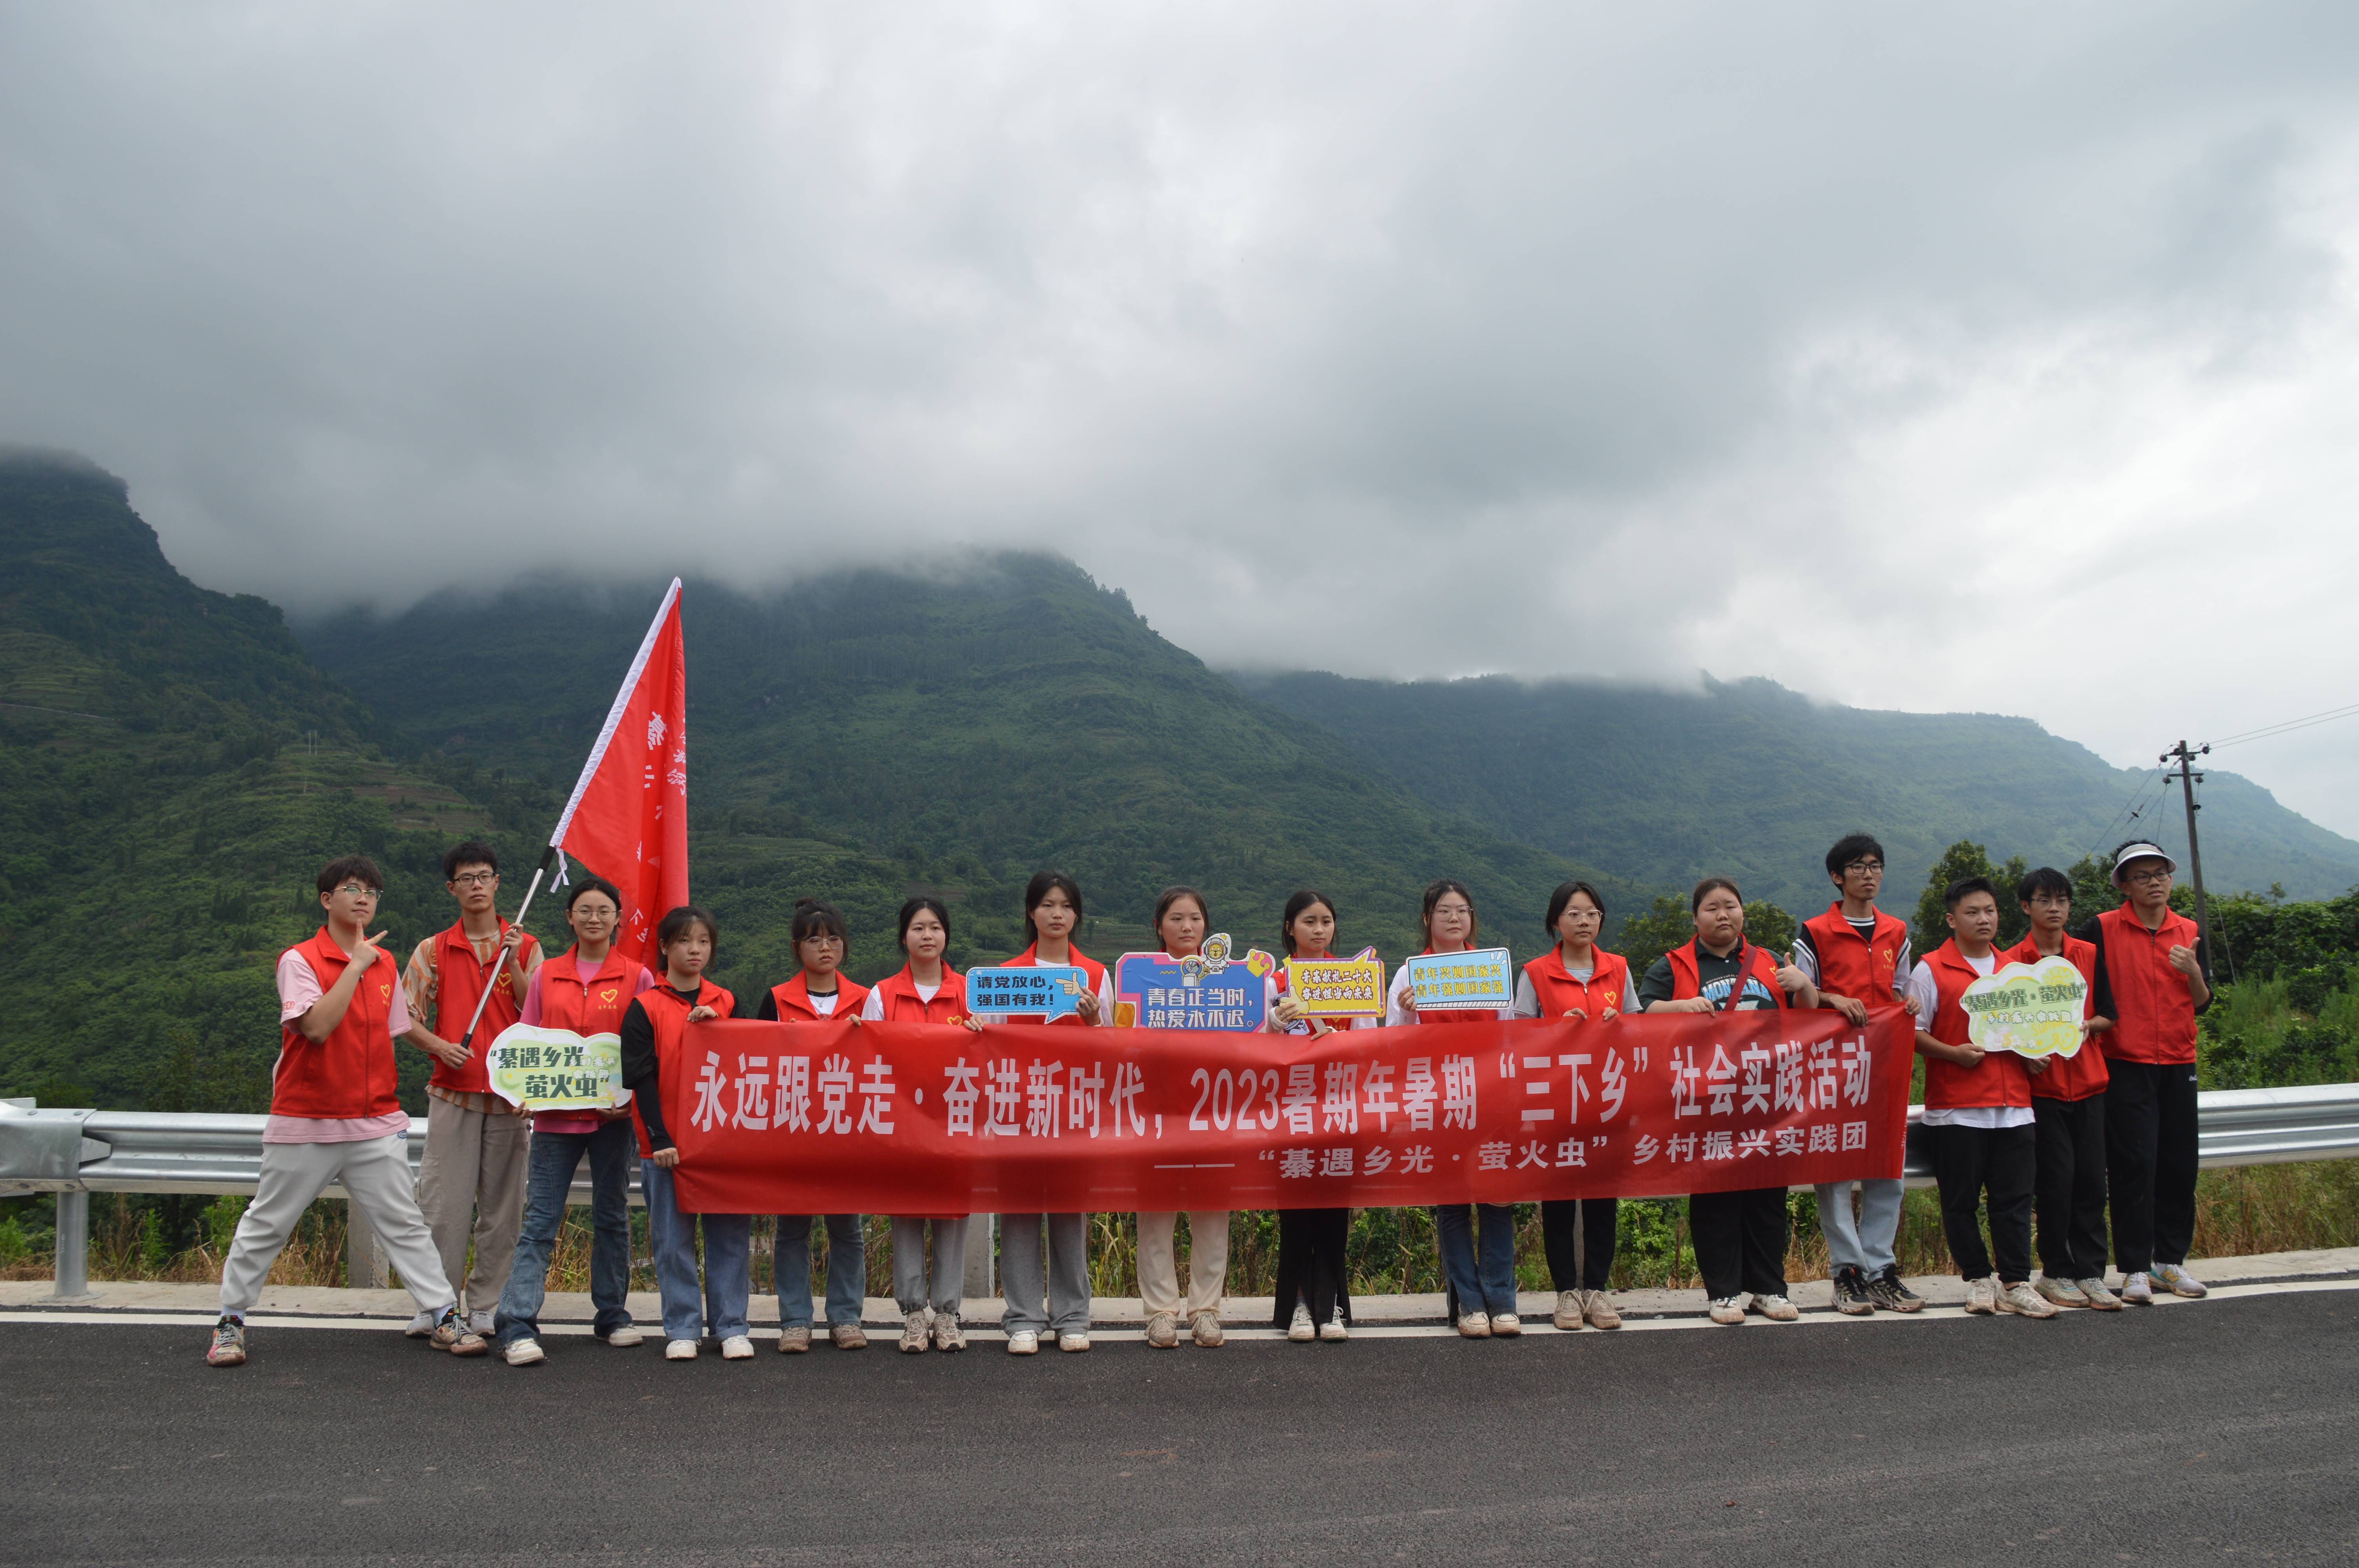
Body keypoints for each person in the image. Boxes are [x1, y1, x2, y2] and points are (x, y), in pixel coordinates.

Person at [208, 856, 482, 1367]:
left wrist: (443, 1049)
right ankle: (231, 1320)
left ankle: (444, 1314)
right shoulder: (300, 960)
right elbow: (315, 1028)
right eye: (351, 889)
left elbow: (396, 1028)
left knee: (403, 1223)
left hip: (374, 1120)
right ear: (326, 899)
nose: (363, 898)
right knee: (268, 1222)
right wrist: (353, 967)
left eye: (372, 892)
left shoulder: (384, 963)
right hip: (307, 1120)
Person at [1639, 877, 1818, 1327]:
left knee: (1767, 1196)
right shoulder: (1673, 965)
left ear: (1743, 913)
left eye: (1731, 906)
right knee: (1716, 1197)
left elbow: (1810, 1020)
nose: (1723, 915)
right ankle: (1723, 1293)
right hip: (1706, 1101)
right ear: (1695, 918)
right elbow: (1639, 1014)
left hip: (1766, 1098)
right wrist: (1681, 1007)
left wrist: (1804, 984)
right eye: (1712, 908)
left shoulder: (1772, 963)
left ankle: (1769, 1288)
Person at [494, 876, 656, 1368]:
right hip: (554, 1120)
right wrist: (520, 1092)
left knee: (611, 1216)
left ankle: (612, 1314)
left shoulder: (637, 977)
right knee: (541, 1220)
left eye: (603, 910)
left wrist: (629, 1105)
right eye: (583, 909)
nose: (593, 918)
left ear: (617, 921)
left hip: (613, 1120)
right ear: (570, 917)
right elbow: (530, 1043)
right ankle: (517, 1323)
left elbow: (645, 1049)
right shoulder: (547, 975)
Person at [400, 840, 543, 1340]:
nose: (477, 885)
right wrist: (439, 1046)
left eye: (484, 876)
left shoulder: (525, 945)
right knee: (444, 1206)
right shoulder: (433, 949)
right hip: (453, 1091)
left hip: (508, 1097)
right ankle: (436, 1302)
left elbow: (538, 1014)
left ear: (498, 883)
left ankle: (487, 1302)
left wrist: (514, 965)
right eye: (467, 879)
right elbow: (403, 1016)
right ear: (452, 889)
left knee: (503, 1210)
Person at [1910, 876, 2057, 1319]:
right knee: (1960, 1202)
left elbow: (2028, 1031)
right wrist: (1953, 1053)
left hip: (2014, 1107)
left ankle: (2015, 1282)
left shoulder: (2016, 970)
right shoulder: (1930, 968)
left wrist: (2033, 1056)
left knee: (2014, 1201)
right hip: (1957, 1109)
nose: (1984, 919)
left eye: (1990, 911)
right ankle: (1977, 1279)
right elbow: (1913, 1036)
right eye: (1973, 912)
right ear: (1952, 919)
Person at [1793, 834, 1924, 1316]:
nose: (1868, 873)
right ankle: (1846, 1273)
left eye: (1875, 865)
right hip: (1833, 1067)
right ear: (1836, 876)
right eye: (1857, 866)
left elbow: (1901, 989)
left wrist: (1908, 1003)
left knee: (1886, 1167)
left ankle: (1881, 1269)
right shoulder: (1814, 931)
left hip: (1886, 1061)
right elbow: (1799, 996)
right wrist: (1831, 999)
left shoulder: (1897, 931)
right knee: (1836, 1168)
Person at [2079, 840, 2213, 1304]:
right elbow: (2079, 984)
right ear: (2124, 885)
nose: (2154, 882)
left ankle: (2169, 1264)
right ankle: (2135, 1267)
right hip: (2124, 1061)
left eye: (2160, 873)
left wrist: (2192, 970)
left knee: (2179, 1164)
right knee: (2134, 1165)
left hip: (2178, 1060)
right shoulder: (2101, 928)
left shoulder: (2189, 929)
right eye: (2142, 876)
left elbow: (2202, 1001)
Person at [1388, 878, 1522, 1339]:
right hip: (1438, 1101)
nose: (1453, 918)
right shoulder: (1409, 974)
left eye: (1462, 910)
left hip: (1489, 1098)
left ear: (1472, 918)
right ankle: (1469, 1304)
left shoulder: (1490, 969)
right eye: (1443, 910)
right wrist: (1409, 1012)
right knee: (1453, 1205)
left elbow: (1509, 1034)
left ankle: (1502, 1300)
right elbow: (1392, 1041)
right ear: (1427, 919)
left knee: (1497, 1200)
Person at [991, 871, 1112, 1356]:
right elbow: (989, 1045)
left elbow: (1113, 1050)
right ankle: (1022, 1316)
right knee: (1019, 1213)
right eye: (1047, 904)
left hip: (1075, 1109)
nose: (1057, 914)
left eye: (1065, 905)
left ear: (1076, 915)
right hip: (1019, 1108)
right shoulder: (1004, 975)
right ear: (1031, 912)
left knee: (1069, 1213)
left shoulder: (1098, 976)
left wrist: (1092, 1021)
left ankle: (1071, 1316)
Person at [624, 905, 751, 1360]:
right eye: (684, 941)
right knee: (672, 1239)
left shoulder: (727, 1001)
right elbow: (639, 1076)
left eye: (702, 941)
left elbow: (751, 1063)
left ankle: (731, 1325)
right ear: (664, 947)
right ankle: (681, 1325)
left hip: (721, 1143)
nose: (694, 949)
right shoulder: (646, 1006)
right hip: (667, 1144)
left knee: (730, 1235)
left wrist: (721, 1031)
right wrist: (658, 1137)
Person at [1514, 880, 1634, 1332]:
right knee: (1560, 1199)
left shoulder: (1618, 969)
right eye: (1573, 913)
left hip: (1606, 1100)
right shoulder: (1536, 973)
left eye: (1591, 913)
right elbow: (1516, 1035)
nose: (1583, 921)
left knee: (1604, 1198)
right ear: (1555, 922)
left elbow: (1639, 1030)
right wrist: (1555, 1030)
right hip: (1556, 1103)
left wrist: (1617, 1023)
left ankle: (1597, 1289)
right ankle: (1566, 1291)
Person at [754, 897, 871, 1353]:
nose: (825, 947)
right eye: (814, 939)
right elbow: (757, 1061)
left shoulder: (866, 999)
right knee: (793, 1229)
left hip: (848, 1131)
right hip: (794, 1130)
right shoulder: (777, 998)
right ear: (796, 947)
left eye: (833, 938)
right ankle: (795, 1320)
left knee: (847, 1229)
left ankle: (845, 1317)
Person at [864, 896, 978, 1353]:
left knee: (952, 1214)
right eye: (917, 928)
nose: (927, 935)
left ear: (946, 935)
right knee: (908, 1214)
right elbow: (868, 1057)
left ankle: (948, 1313)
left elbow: (992, 1052)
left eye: (934, 927)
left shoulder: (971, 990)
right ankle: (914, 1314)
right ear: (903, 937)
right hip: (903, 1124)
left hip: (956, 1120)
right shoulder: (882, 994)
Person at [2007, 867, 2120, 1310]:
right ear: (2026, 906)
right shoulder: (2012, 962)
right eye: (2044, 900)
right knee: (2056, 1182)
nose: (2054, 909)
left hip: (2090, 1083)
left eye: (2062, 900)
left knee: (2093, 1181)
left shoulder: (2088, 954)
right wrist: (2024, 1055)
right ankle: (2055, 1271)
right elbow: (2003, 1030)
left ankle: (2091, 1272)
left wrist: (2086, 1025)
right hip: (2044, 1088)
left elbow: (2110, 1013)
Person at [1269, 888, 1377, 1345]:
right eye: (1309, 921)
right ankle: (1297, 1303)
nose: (1318, 929)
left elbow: (1370, 1039)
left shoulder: (1353, 978)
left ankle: (1330, 1303)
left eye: (1326, 921)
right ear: (1290, 928)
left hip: (1340, 1103)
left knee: (1335, 1208)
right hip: (1289, 1107)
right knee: (1294, 1211)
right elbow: (1253, 1039)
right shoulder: (1273, 980)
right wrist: (1275, 1022)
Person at [1134, 885, 1235, 1350]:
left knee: (1212, 1216)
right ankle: (1159, 1313)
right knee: (1155, 1215)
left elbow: (1253, 1029)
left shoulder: (1231, 981)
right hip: (1156, 1110)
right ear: (1159, 927)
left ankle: (1206, 1311)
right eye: (1176, 918)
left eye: (1195, 918)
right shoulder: (1139, 977)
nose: (1187, 927)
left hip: (1214, 1110)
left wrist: (1278, 1019)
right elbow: (1120, 1036)